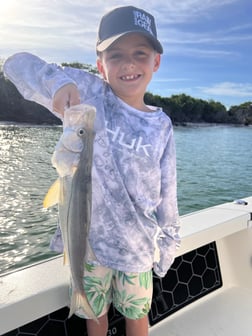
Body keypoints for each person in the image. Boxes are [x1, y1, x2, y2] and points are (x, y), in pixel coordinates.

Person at [4, 5, 180, 336]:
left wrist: (167, 245)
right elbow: (15, 64)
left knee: (137, 318)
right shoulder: (88, 95)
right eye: (115, 55)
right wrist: (57, 84)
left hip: (138, 250)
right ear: (100, 65)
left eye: (140, 53)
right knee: (93, 317)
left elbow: (167, 190)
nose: (128, 63)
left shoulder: (162, 125)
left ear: (156, 61)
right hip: (90, 247)